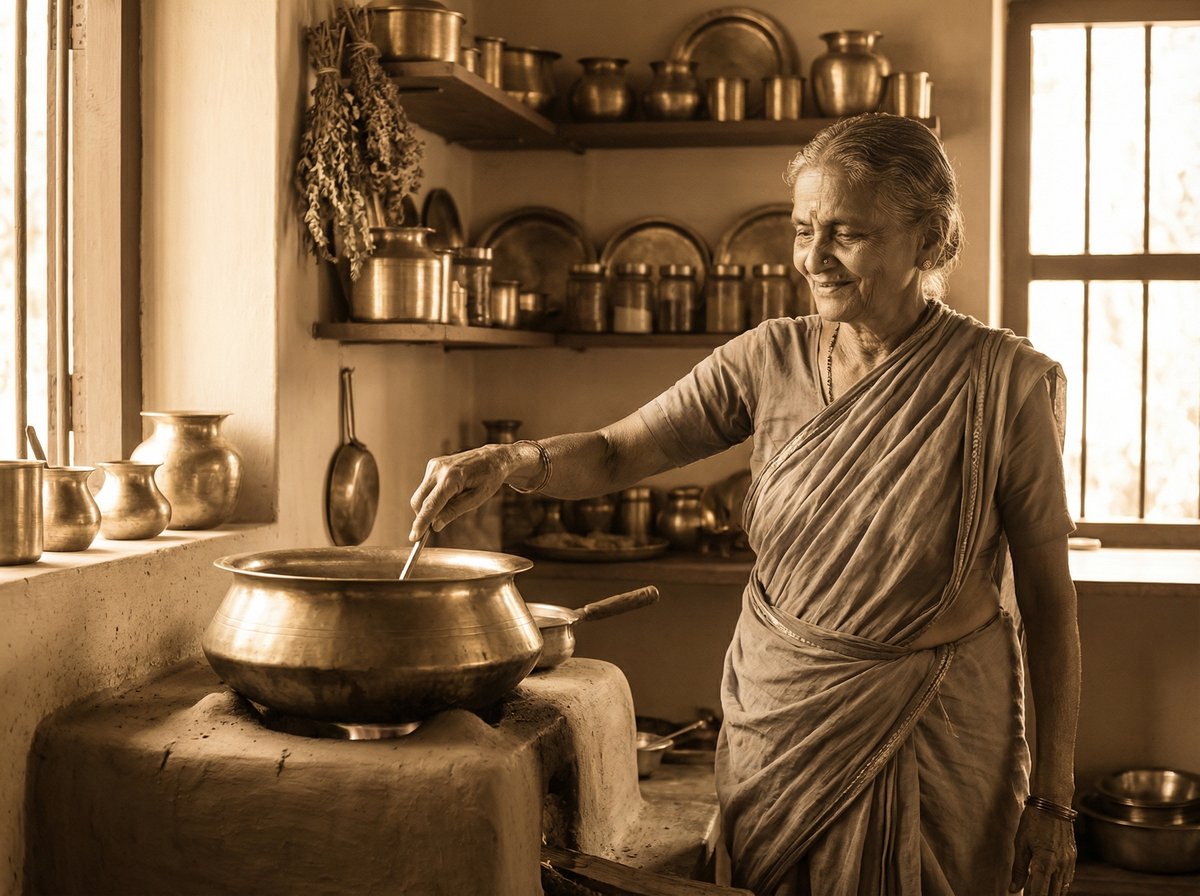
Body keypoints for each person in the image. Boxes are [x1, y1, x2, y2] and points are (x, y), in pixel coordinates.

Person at [408, 113, 1081, 896]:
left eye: (847, 234)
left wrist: (1055, 801)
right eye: (804, 230)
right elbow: (620, 449)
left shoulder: (1003, 385)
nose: (814, 259)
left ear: (928, 240)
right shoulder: (769, 358)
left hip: (933, 735)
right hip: (780, 725)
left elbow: (1047, 599)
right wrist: (511, 461)